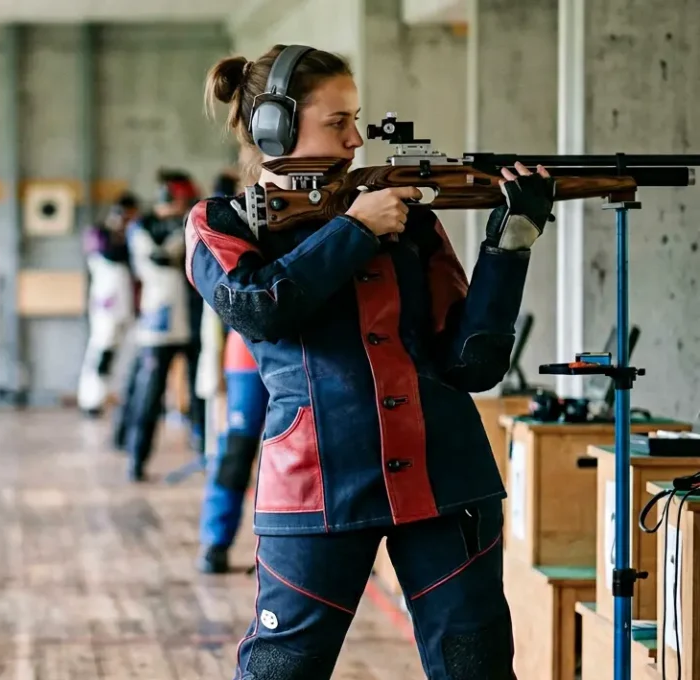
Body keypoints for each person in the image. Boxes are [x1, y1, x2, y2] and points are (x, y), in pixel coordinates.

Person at [187, 44, 552, 679]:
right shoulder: (222, 223)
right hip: (315, 486)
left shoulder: (409, 222)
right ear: (274, 127)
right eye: (337, 122)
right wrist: (355, 231)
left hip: (446, 480)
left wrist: (510, 245)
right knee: (281, 670)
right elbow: (258, 309)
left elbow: (472, 364)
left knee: (477, 668)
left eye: (356, 120)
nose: (356, 140)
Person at [120, 171, 206, 481]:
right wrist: (181, 233)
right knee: (149, 393)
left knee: (200, 390)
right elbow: (158, 258)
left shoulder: (187, 222)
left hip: (191, 316)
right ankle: (136, 457)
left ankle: (204, 450)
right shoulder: (143, 226)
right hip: (159, 320)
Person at [196, 326, 268, 574]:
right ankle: (215, 541)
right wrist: (214, 379)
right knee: (236, 451)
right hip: (246, 351)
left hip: (305, 354)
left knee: (301, 452)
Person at [77, 193, 139, 418]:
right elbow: (110, 254)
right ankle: (91, 399)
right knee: (102, 351)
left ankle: (110, 397)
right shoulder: (99, 233)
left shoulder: (129, 236)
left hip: (124, 303)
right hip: (106, 304)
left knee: (121, 354)